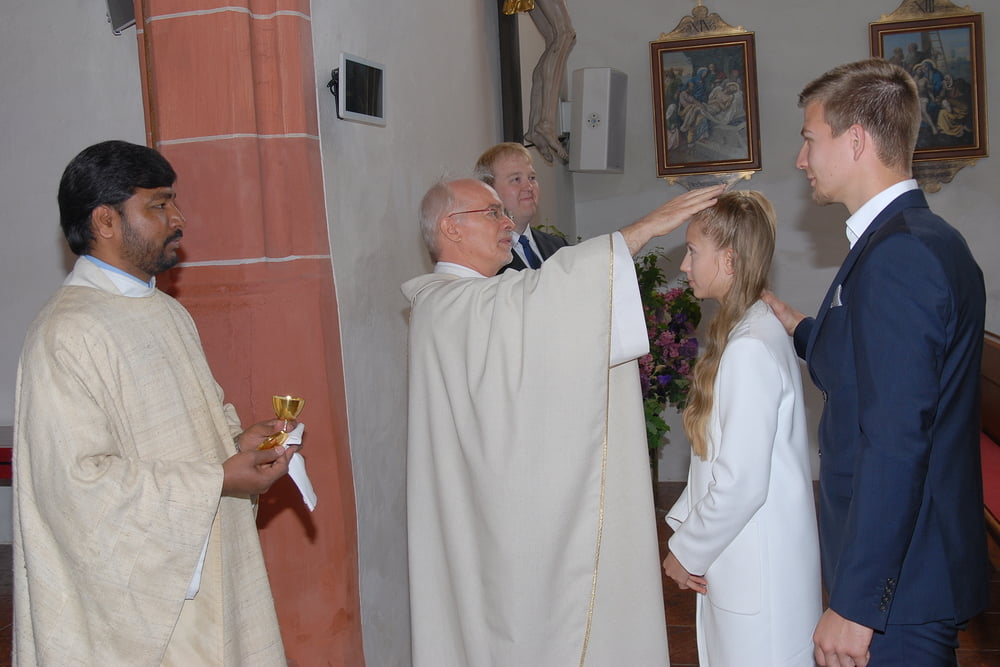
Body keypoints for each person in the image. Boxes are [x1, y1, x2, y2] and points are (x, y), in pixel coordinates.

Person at [403, 176, 725, 665]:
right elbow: (543, 296)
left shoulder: (478, 302)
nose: (508, 223)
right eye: (492, 212)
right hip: (494, 531)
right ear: (451, 227)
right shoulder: (446, 304)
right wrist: (645, 228)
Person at [13, 140, 296, 665]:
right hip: (147, 601)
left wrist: (236, 444)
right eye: (159, 205)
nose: (178, 218)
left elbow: (187, 433)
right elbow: (74, 487)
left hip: (203, 562)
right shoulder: (65, 332)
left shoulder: (167, 312)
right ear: (105, 220)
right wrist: (217, 480)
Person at [765, 58, 988, 666]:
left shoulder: (900, 256)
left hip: (901, 582)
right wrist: (798, 326)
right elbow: (873, 363)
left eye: (810, 138)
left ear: (856, 140)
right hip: (911, 562)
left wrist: (858, 603)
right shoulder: (912, 237)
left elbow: (895, 438)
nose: (801, 159)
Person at [662, 190, 821, 666]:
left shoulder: (749, 347)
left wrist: (686, 551)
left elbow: (742, 483)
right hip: (747, 555)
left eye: (693, 251)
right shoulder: (752, 327)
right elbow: (722, 460)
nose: (685, 265)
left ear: (728, 260)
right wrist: (685, 526)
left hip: (757, 569)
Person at [474, 142, 568, 272]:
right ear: (489, 191)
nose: (529, 187)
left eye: (532, 178)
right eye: (516, 179)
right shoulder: (482, 258)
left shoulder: (559, 247)